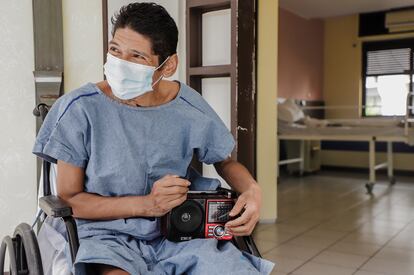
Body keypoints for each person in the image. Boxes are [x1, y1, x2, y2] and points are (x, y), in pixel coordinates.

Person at [33, 2, 274, 274]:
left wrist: (252, 190)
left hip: (178, 231)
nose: (121, 64)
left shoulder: (188, 107)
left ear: (168, 65)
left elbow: (225, 161)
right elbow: (71, 198)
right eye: (115, 50)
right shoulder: (80, 109)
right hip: (105, 235)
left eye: (137, 56)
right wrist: (147, 204)